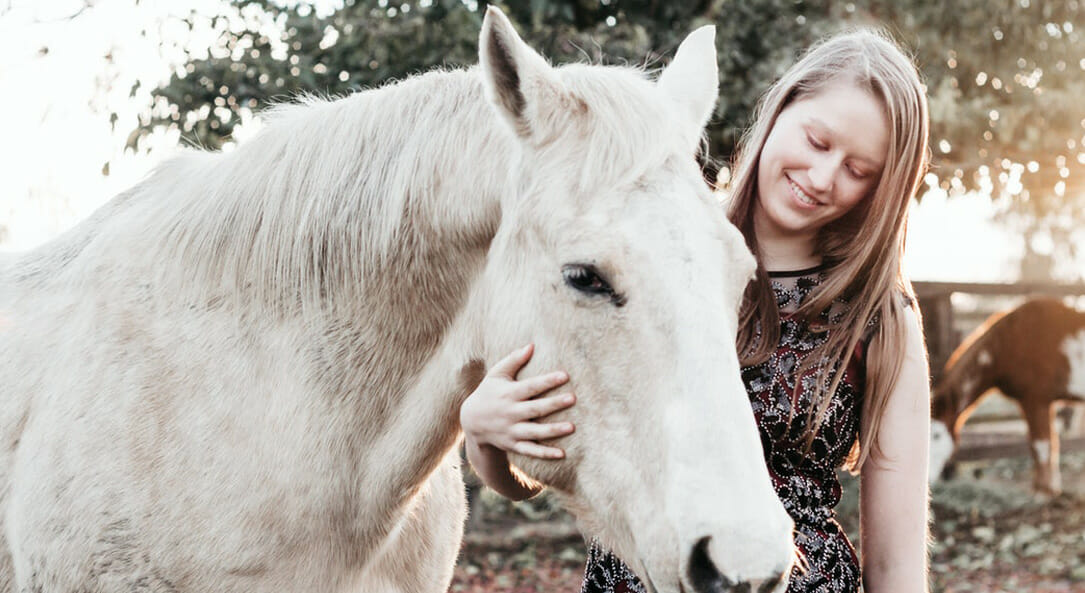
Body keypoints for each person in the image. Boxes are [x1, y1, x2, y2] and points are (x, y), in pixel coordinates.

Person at [460, 27, 932, 593]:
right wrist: (484, 434)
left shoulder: (880, 319)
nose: (824, 177)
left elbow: (896, 563)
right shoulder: (642, 261)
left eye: (859, 171)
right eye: (817, 141)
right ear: (779, 112)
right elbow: (534, 475)